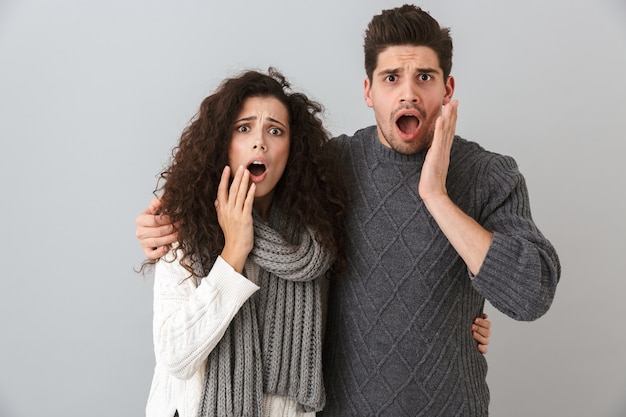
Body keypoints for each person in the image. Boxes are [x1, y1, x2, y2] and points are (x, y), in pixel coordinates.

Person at [134, 4, 558, 416]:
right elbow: (248, 206)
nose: (408, 92)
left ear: (446, 89)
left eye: (424, 77)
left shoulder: (490, 175)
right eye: (392, 77)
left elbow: (530, 295)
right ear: (369, 91)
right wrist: (161, 225)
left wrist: (436, 197)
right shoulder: (331, 166)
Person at [144, 68, 348, 417]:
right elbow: (176, 358)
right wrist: (233, 253)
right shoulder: (186, 229)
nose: (260, 142)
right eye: (244, 128)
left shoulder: (315, 243)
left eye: (275, 130)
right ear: (224, 143)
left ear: (291, 149)